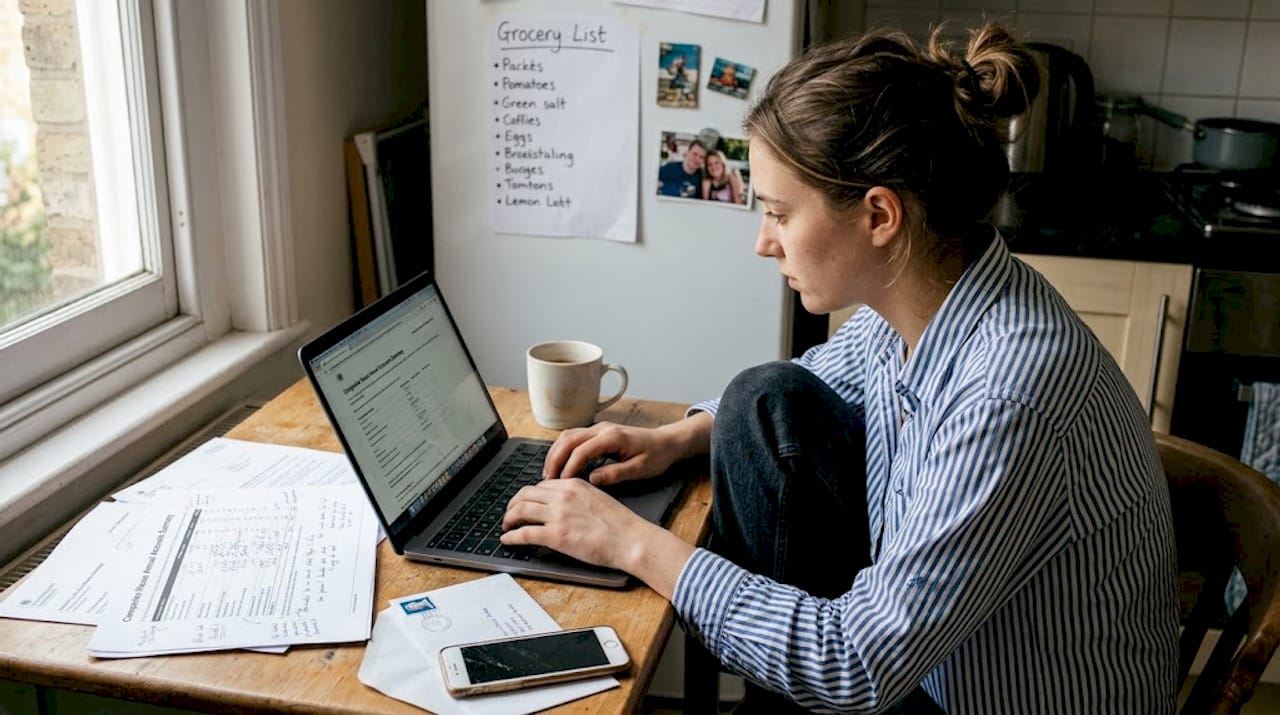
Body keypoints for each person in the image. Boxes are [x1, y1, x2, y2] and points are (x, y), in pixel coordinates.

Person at [502, 22, 1179, 714]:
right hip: (937, 666)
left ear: (879, 214)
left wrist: (630, 543)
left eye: (779, 213)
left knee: (792, 625)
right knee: (759, 399)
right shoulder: (931, 298)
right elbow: (830, 369)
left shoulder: (1007, 393)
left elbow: (857, 662)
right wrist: (675, 435)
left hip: (971, 699)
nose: (765, 243)